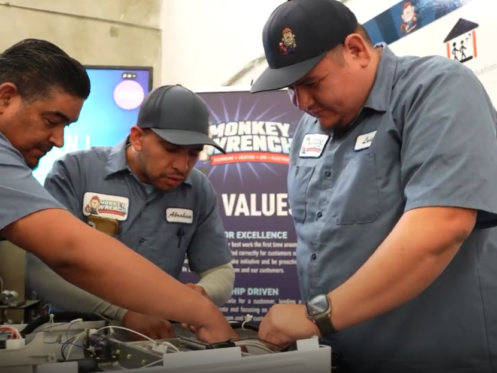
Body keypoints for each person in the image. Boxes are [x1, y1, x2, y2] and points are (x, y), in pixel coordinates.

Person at [251, 0, 497, 372]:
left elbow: (441, 227)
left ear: (356, 50)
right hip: (337, 358)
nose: (301, 103)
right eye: (291, 90)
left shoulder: (435, 89)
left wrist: (317, 316)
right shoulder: (309, 130)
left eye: (311, 83)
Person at [0, 38, 238, 344]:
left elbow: (219, 268)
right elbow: (66, 251)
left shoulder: (198, 190)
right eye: (51, 121)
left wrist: (199, 296)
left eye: (193, 153)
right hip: (74, 336)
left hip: (155, 340)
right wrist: (194, 311)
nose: (58, 140)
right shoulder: (75, 171)